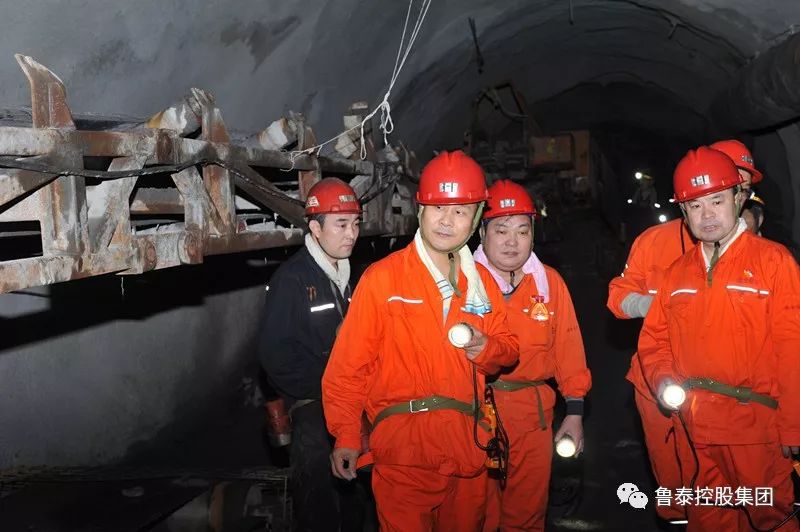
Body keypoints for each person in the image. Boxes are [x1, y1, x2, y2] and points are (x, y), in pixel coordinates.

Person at [322, 150, 518, 532]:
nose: (446, 220)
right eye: (437, 208)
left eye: (460, 211)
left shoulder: (482, 284)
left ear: (476, 217)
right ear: (420, 209)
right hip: (404, 450)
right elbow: (349, 367)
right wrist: (346, 434)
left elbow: (509, 349)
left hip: (467, 449)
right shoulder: (383, 279)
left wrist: (486, 348)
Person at [638, 146, 800, 531]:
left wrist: (794, 425)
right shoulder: (677, 273)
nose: (707, 214)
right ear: (683, 212)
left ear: (738, 198)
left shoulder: (774, 262)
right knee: (709, 521)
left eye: (716, 200)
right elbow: (654, 341)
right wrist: (665, 381)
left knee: (771, 519)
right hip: (696, 428)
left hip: (756, 429)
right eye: (695, 205)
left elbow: (792, 347)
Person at [474, 180, 591, 531]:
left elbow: (569, 349)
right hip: (474, 411)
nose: (512, 241)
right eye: (501, 230)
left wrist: (574, 413)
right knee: (474, 513)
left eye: (522, 231)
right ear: (482, 233)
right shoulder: (464, 282)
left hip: (532, 415)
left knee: (526, 513)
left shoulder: (548, 284)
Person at [258, 177, 365, 532]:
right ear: (316, 229)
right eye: (341, 224)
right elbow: (273, 354)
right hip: (312, 404)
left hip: (351, 401)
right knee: (319, 496)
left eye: (355, 224)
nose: (351, 234)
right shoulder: (292, 279)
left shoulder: (347, 277)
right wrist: (324, 388)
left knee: (354, 492)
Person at [608, 214, 695, 523]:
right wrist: (650, 306)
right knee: (671, 479)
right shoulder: (654, 240)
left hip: (720, 385)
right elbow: (618, 298)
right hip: (656, 379)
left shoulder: (757, 251)